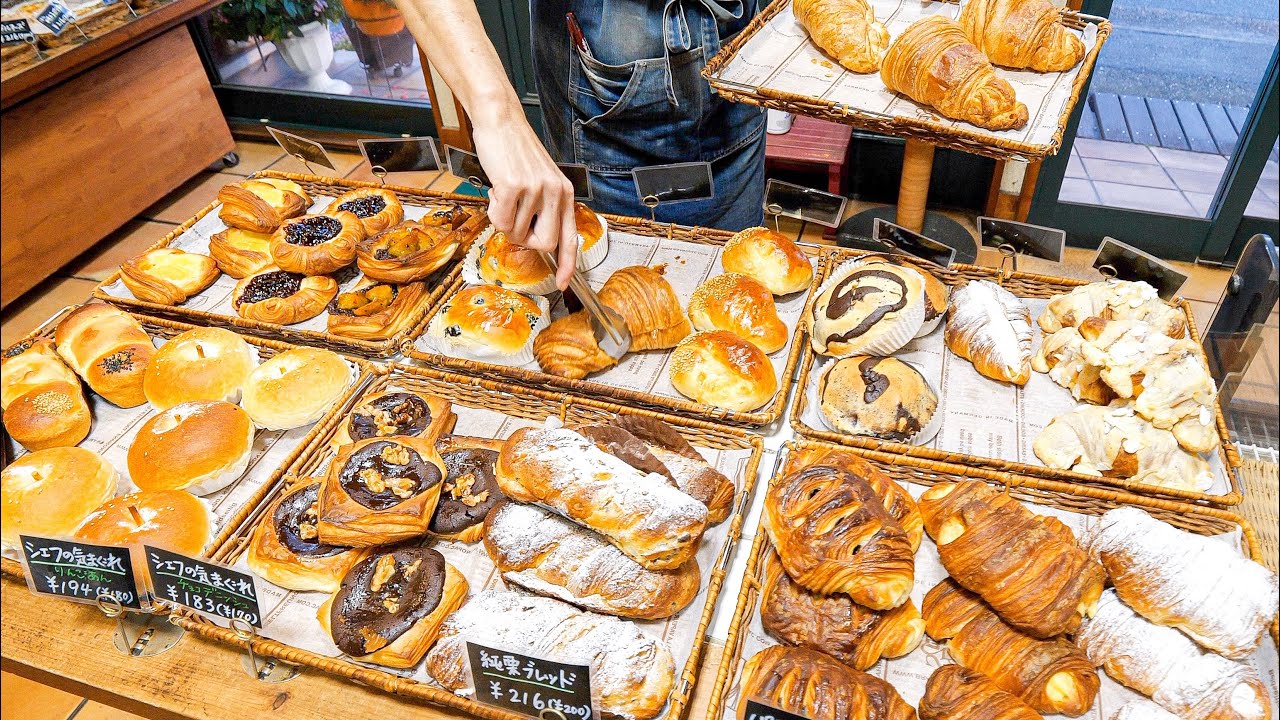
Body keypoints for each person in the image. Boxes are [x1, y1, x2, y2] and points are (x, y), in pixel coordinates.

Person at [399, 0, 765, 288]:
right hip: (603, 101)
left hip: (734, 75)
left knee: (742, 288)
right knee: (605, 294)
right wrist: (499, 116)